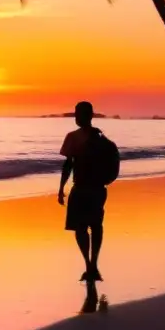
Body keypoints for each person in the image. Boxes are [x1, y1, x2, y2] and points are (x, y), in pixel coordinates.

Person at [57, 101, 107, 282]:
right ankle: (91, 265)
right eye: (76, 114)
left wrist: (61, 188)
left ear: (88, 115)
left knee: (83, 227)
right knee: (93, 226)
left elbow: (68, 164)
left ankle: (89, 265)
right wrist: (62, 187)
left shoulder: (75, 137)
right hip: (96, 189)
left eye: (79, 114)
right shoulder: (100, 136)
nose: (77, 117)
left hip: (84, 189)